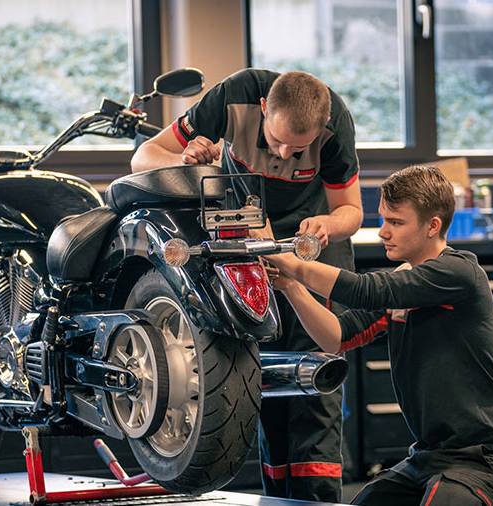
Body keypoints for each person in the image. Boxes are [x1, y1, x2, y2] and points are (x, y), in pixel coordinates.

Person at [131, 68, 363, 502]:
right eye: (277, 140)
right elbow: (143, 157)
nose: (284, 154)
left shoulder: (336, 125)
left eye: (298, 148)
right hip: (245, 241)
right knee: (264, 381)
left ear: (321, 128)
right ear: (262, 109)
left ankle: (317, 500)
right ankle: (278, 498)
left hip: (310, 247)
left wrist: (328, 225)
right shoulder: (231, 97)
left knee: (317, 385)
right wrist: (187, 162)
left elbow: (351, 210)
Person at [250, 165, 493, 506]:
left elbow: (363, 290)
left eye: (396, 222)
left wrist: (282, 257)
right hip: (429, 457)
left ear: (433, 225)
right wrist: (290, 286)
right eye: (383, 219)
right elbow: (336, 337)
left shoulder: (459, 271)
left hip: (487, 457)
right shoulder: (404, 284)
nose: (382, 232)